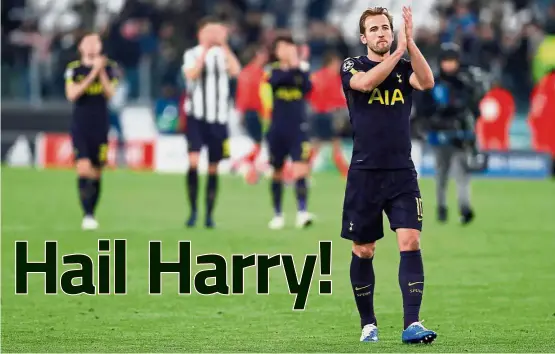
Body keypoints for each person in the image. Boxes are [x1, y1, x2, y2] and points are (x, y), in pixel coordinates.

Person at [339, 7, 437, 343]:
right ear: (363, 37)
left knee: (410, 240)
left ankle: (412, 323)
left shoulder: (403, 67)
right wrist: (398, 52)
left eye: (386, 28)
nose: (381, 33)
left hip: (402, 173)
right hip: (365, 174)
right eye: (374, 29)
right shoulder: (352, 66)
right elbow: (366, 83)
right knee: (364, 250)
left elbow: (426, 82)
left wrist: (410, 45)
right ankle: (368, 324)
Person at [417, 43, 489, 224]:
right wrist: (432, 122)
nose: (449, 65)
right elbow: (424, 108)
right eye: (446, 61)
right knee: (441, 173)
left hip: (461, 134)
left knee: (462, 172)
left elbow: (475, 106)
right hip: (439, 134)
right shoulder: (433, 81)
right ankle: (441, 206)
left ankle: (465, 207)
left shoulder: (466, 81)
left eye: (452, 61)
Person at [182, 17, 241, 228]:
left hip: (219, 118)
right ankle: (193, 211)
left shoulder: (224, 55)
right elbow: (191, 74)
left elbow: (236, 71)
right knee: (193, 162)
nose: (213, 35)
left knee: (213, 167)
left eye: (217, 31)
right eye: (209, 31)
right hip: (196, 117)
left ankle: (208, 215)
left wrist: (223, 46)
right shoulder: (192, 53)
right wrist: (206, 50)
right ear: (200, 33)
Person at [64, 33, 119, 230]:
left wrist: (100, 71)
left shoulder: (110, 68)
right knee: (83, 167)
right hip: (81, 124)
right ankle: (86, 214)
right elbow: (72, 94)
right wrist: (92, 74)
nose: (92, 45)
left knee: (97, 172)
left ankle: (92, 212)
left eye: (95, 42)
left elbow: (110, 94)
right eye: (88, 42)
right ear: (81, 46)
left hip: (101, 125)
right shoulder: (74, 69)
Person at [265, 35, 314, 230]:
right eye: (282, 47)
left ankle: (302, 212)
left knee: (300, 169)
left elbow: (308, 87)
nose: (286, 50)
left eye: (289, 46)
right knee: (276, 171)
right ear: (276, 51)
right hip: (277, 128)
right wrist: (294, 67)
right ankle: (277, 214)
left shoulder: (302, 69)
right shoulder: (271, 69)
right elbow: (277, 82)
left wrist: (296, 66)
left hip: (298, 127)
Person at [306, 51, 349, 178]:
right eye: (337, 63)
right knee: (335, 145)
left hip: (316, 115)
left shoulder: (315, 76)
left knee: (316, 145)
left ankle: (303, 172)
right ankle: (346, 174)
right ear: (330, 63)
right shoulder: (333, 78)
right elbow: (338, 99)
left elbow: (309, 96)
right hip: (328, 116)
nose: (339, 66)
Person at [233, 45, 268, 183]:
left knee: (258, 143)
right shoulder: (257, 73)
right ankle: (242, 165)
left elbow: (241, 95)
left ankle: (247, 167)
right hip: (255, 112)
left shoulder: (246, 72)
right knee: (258, 143)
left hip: (250, 112)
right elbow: (248, 95)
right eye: (262, 54)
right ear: (256, 56)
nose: (265, 56)